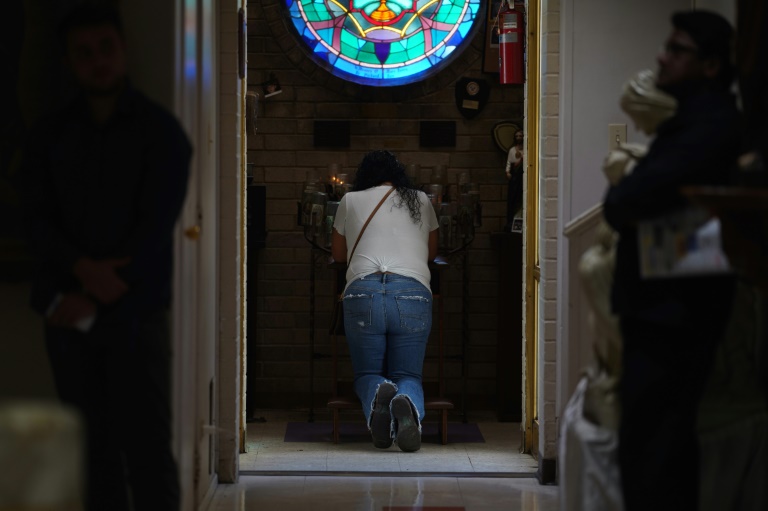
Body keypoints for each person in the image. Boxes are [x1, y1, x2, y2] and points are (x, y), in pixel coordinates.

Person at [21, 5, 191, 510]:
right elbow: (35, 218)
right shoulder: (50, 135)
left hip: (135, 314)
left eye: (105, 49)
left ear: (124, 49)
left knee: (147, 452)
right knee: (90, 455)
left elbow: (155, 227)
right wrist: (80, 273)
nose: (97, 62)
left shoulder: (161, 133)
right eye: (84, 53)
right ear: (70, 62)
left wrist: (93, 287)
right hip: (69, 315)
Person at [602, 10, 740, 511]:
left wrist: (626, 199)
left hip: (675, 308)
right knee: (653, 444)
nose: (662, 56)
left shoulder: (710, 125)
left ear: (710, 65)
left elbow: (627, 201)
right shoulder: (692, 122)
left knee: (656, 448)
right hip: (664, 305)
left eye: (677, 49)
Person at [331, 150, 439, 452]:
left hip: (362, 292)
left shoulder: (349, 201)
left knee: (367, 373)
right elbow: (431, 253)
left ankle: (381, 395)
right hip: (413, 293)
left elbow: (339, 255)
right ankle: (407, 408)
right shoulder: (421, 200)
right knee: (408, 375)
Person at [505, 129, 524, 231]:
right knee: (512, 198)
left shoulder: (526, 149)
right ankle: (510, 222)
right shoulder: (512, 150)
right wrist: (508, 172)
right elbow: (509, 162)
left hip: (522, 175)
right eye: (516, 136)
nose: (518, 138)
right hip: (514, 176)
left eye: (520, 136)